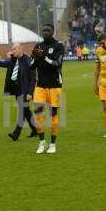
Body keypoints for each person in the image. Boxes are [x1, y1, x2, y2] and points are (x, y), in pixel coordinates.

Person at [0, 44, 37, 141]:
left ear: (20, 49)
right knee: (26, 111)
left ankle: (16, 133)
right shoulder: (13, 60)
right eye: (12, 49)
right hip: (16, 90)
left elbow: (33, 78)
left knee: (22, 111)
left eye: (15, 49)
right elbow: (0, 63)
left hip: (25, 90)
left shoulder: (28, 60)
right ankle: (35, 130)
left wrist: (30, 93)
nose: (13, 51)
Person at [30, 24, 65, 154]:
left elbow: (57, 64)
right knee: (38, 113)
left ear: (52, 32)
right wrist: (34, 57)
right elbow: (31, 67)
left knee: (53, 114)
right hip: (40, 86)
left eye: (48, 30)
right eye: (43, 30)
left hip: (55, 86)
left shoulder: (58, 46)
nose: (45, 32)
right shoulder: (38, 46)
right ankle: (42, 142)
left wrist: (43, 56)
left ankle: (53, 144)